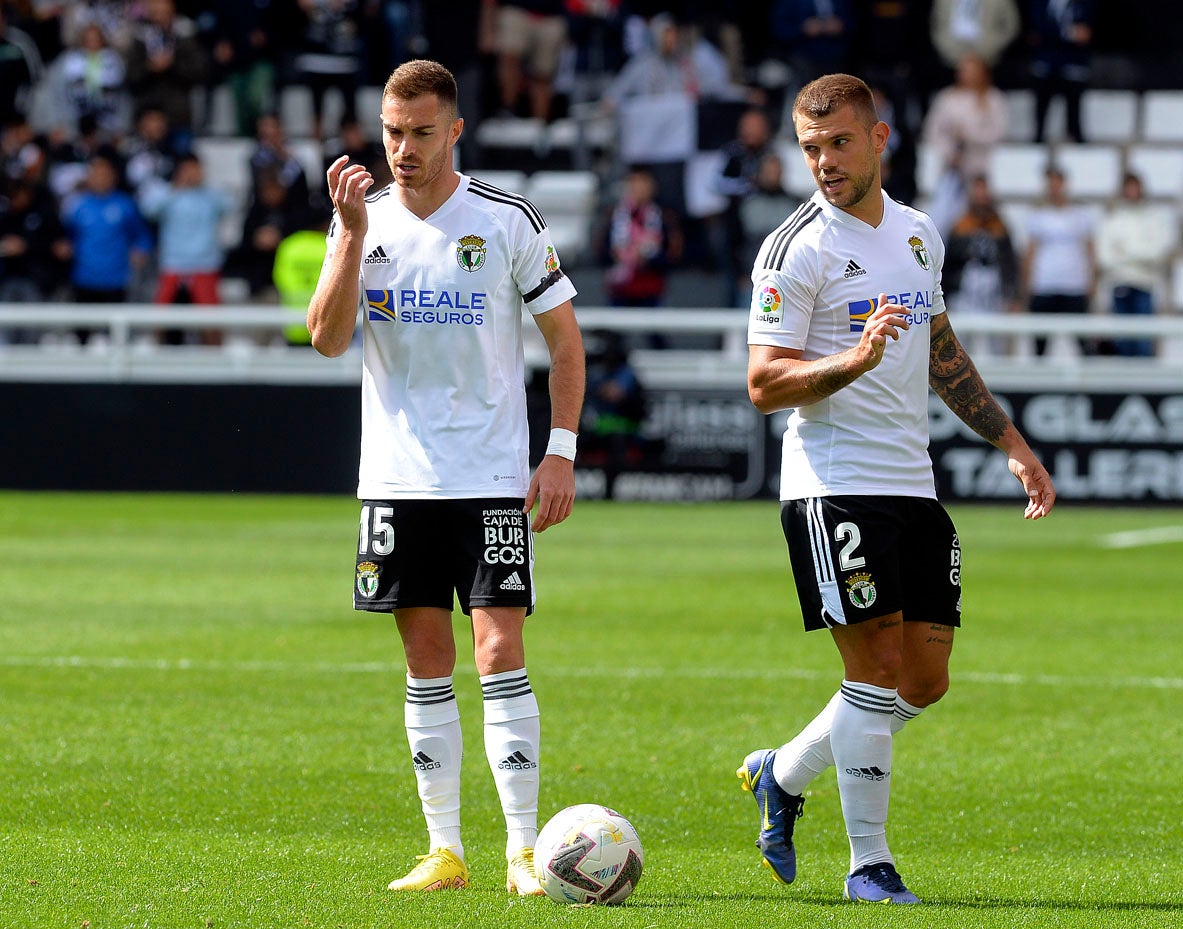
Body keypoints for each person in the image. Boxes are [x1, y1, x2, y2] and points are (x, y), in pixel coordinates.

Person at [741, 73, 1055, 905]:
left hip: (911, 482)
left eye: (838, 143)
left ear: (879, 139)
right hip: (832, 484)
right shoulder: (794, 247)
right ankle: (868, 865)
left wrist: (1011, 443)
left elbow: (941, 347)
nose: (823, 162)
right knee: (875, 666)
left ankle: (781, 770)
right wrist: (851, 359)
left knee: (922, 679)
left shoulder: (918, 235)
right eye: (809, 148)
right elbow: (764, 384)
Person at [306, 58, 585, 896]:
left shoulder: (503, 220)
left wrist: (560, 448)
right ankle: (445, 850)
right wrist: (351, 233)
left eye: (421, 133)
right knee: (425, 659)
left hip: (491, 475)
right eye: (392, 132)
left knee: (498, 648)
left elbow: (565, 343)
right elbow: (324, 337)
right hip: (394, 479)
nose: (403, 148)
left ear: (453, 131)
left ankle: (526, 851)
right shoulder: (363, 220)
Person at [921, 53, 1007, 236]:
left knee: (977, 220)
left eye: (971, 71)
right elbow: (933, 131)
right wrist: (949, 153)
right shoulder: (948, 97)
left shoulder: (992, 99)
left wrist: (969, 135)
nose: (965, 75)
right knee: (943, 217)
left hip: (981, 169)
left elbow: (998, 132)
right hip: (952, 167)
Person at [1094, 172, 1177, 358]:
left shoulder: (1153, 218)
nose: (1132, 191)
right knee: (1122, 340)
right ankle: (1125, 385)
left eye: (1135, 186)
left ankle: (1143, 386)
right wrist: (1140, 256)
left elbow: (1158, 252)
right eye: (1128, 187)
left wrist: (1125, 252)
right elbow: (1105, 257)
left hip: (1145, 284)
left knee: (1143, 340)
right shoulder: (1113, 219)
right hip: (1119, 284)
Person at [1021, 165, 1095, 356]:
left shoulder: (1081, 216)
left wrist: (1091, 282)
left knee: (1084, 344)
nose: (1053, 189)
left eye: (1057, 184)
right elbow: (1030, 253)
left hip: (1074, 286)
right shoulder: (1038, 217)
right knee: (1040, 347)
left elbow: (1089, 251)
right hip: (1045, 286)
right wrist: (1026, 286)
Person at [943, 174, 1021, 356]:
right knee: (960, 352)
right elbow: (948, 266)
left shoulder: (1000, 226)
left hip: (994, 298)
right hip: (964, 298)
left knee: (999, 352)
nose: (981, 196)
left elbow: (1010, 264)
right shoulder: (960, 225)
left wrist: (1014, 296)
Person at [1028, 0, 1093, 144]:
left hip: (1073, 63)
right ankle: (1038, 136)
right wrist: (1068, 33)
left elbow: (1086, 33)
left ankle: (1075, 135)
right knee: (1042, 102)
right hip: (1046, 63)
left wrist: (1052, 34)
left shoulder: (1083, 4)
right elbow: (1037, 30)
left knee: (1074, 104)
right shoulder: (1040, 4)